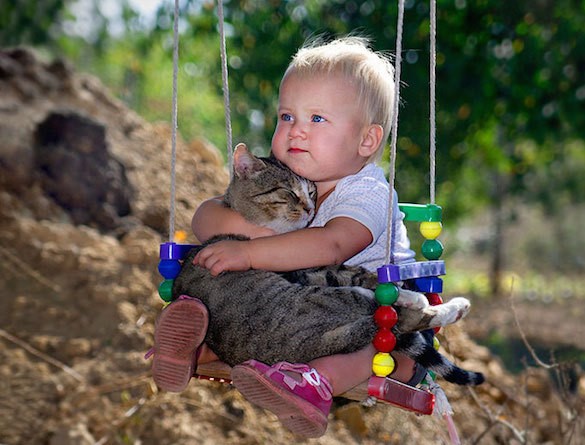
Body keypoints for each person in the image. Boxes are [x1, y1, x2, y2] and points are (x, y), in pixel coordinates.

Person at [153, 36, 424, 438]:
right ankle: (198, 343)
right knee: (231, 288)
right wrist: (247, 233)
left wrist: (249, 253)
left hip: (380, 311)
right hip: (302, 310)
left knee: (372, 343)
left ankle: (312, 385)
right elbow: (208, 214)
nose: (296, 131)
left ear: (366, 140)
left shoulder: (369, 192)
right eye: (286, 116)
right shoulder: (290, 175)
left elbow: (332, 245)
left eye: (317, 119)